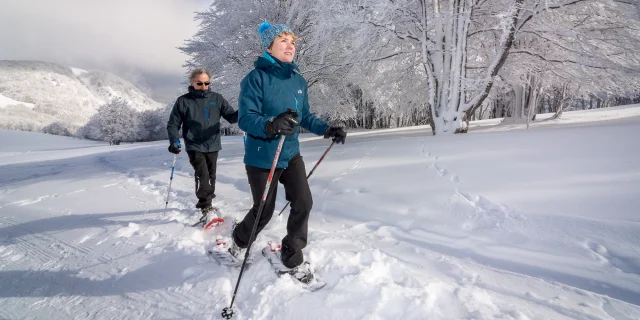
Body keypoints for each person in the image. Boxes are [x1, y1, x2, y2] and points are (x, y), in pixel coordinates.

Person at [231, 22, 347, 272]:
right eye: (283, 40)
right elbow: (245, 117)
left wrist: (327, 129)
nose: (290, 46)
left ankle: (291, 253)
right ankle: (239, 240)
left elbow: (304, 116)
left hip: (290, 153)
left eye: (292, 42)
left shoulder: (298, 80)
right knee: (264, 211)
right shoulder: (255, 78)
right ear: (269, 47)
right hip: (262, 156)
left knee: (303, 202)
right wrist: (271, 124)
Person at [167, 69, 239, 215]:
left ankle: (208, 200)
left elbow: (231, 117)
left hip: (213, 143)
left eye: (207, 83)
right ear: (192, 83)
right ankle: (204, 205)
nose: (204, 86)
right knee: (203, 175)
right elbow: (173, 124)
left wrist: (244, 108)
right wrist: (174, 141)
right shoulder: (183, 101)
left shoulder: (217, 98)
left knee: (211, 175)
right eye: (199, 83)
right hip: (194, 144)